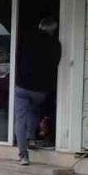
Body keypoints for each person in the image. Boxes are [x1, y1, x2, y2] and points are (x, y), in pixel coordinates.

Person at [14, 16, 60, 166]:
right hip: (41, 89)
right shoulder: (55, 43)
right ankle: (32, 139)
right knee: (33, 110)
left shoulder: (27, 38)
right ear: (53, 30)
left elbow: (17, 57)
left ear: (40, 26)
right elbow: (55, 64)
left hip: (22, 86)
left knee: (20, 120)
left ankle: (23, 156)